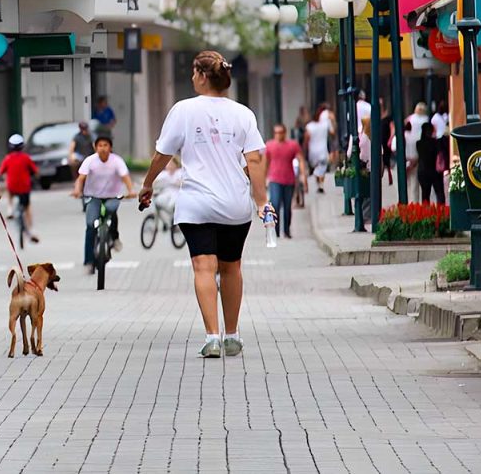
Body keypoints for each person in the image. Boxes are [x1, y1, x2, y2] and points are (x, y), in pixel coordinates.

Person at [138, 51, 269, 360]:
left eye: (195, 73)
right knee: (231, 266)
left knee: (203, 266)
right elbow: (254, 161)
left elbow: (162, 155)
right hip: (236, 204)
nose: (192, 78)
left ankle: (212, 337)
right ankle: (233, 336)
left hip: (197, 204)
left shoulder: (183, 110)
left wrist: (147, 184)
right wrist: (261, 202)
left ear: (202, 76)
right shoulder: (243, 113)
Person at [70, 135, 134, 273]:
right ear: (95, 147)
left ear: (110, 147)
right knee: (90, 226)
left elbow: (125, 177)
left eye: (105, 145)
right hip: (94, 197)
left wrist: (131, 191)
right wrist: (77, 190)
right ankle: (88, 261)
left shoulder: (117, 161)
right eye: (100, 145)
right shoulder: (90, 161)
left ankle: (114, 237)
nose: (103, 148)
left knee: (112, 210)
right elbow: (81, 178)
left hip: (112, 196)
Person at [0, 134, 40, 244]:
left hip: (12, 186)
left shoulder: (7, 159)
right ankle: (31, 230)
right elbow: (35, 172)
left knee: (9, 189)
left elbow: (0, 173)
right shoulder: (26, 158)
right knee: (27, 207)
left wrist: (0, 179)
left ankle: (10, 209)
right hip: (24, 187)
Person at [264, 124, 305, 240]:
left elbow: (300, 159)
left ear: (285, 132)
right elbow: (265, 163)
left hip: (289, 180)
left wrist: (303, 177)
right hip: (274, 180)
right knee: (275, 205)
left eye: (281, 132)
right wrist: (263, 179)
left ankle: (286, 231)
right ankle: (276, 231)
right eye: (276, 132)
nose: (278, 135)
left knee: (287, 207)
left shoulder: (292, 145)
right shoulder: (269, 145)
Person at [305, 104, 333, 193]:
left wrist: (305, 148)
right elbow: (332, 132)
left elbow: (306, 139)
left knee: (317, 167)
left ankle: (319, 183)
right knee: (322, 168)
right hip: (323, 150)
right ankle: (321, 184)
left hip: (312, 151)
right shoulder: (325, 124)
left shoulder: (309, 126)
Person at [417, 122, 446, 203]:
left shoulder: (419, 143)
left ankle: (426, 213)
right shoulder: (436, 143)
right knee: (439, 193)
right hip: (436, 172)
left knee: (425, 195)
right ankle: (441, 213)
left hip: (423, 171)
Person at [291, 107, 310, 209]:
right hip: (302, 152)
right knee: (299, 176)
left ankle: (299, 197)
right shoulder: (305, 123)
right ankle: (299, 197)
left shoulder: (300, 124)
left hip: (301, 153)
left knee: (298, 177)